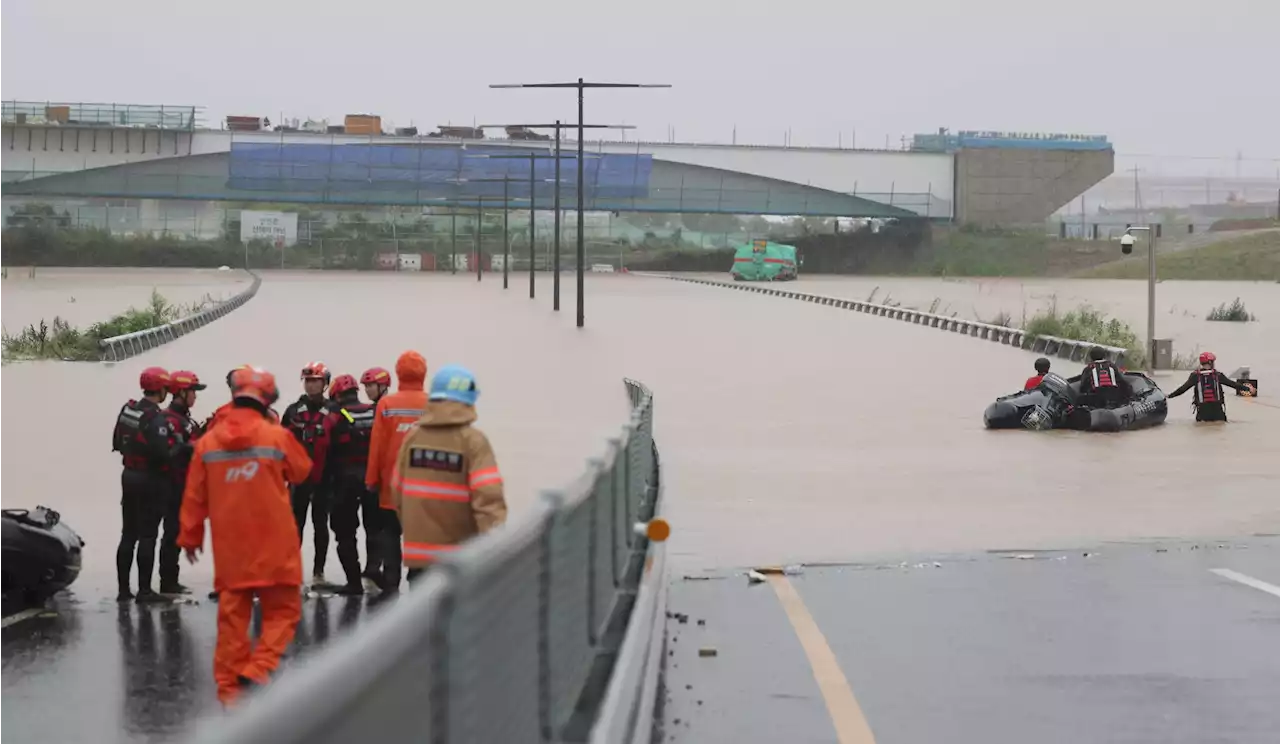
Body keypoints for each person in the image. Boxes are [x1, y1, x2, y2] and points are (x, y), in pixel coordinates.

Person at [177, 367, 312, 708]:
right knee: (283, 612)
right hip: (276, 545)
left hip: (231, 548)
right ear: (266, 401)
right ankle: (259, 669)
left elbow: (194, 496)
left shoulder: (207, 442)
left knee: (232, 622)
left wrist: (190, 538)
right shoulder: (276, 437)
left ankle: (229, 695)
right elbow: (302, 470)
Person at [392, 365, 507, 584]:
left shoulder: (413, 437)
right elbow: (488, 499)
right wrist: (494, 550)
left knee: (420, 617)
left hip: (418, 559)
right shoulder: (473, 441)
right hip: (460, 559)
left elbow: (397, 492)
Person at [113, 366, 188, 603]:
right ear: (162, 389)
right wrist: (180, 445)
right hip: (149, 479)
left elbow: (116, 441)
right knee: (148, 536)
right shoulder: (155, 417)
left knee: (127, 535)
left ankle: (123, 591)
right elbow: (162, 454)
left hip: (128, 475)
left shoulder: (128, 409)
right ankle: (144, 590)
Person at [365, 351, 428, 594]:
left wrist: (371, 480)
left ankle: (391, 582)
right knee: (418, 535)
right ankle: (419, 580)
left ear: (398, 373)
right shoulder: (432, 404)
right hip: (422, 488)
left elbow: (377, 447)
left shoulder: (387, 405)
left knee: (390, 534)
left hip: (391, 487)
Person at [314, 374, 376, 595]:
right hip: (371, 481)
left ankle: (354, 583)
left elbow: (323, 448)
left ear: (335, 393)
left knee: (344, 533)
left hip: (343, 482)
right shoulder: (373, 411)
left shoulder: (334, 416)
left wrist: (319, 480)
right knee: (375, 530)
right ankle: (378, 576)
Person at [282, 362, 333, 586]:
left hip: (324, 480)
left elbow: (345, 433)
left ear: (325, 383)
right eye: (308, 381)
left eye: (316, 381)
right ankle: (290, 572)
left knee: (321, 526)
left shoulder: (335, 410)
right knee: (295, 526)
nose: (311, 385)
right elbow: (280, 441)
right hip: (298, 481)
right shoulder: (292, 411)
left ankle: (318, 573)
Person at [158, 370, 207, 595]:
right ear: (181, 393)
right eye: (193, 392)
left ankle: (171, 579)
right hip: (171, 485)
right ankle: (167, 582)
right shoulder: (170, 420)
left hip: (183, 484)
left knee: (175, 532)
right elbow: (171, 452)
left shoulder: (186, 419)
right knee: (171, 533)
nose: (195, 397)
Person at [358, 366, 392, 589]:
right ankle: (373, 568)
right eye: (366, 386)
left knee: (384, 527)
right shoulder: (372, 410)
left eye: (370, 386)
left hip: (385, 480)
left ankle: (381, 571)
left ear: (382, 386)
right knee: (371, 525)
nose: (367, 390)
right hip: (371, 477)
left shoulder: (387, 410)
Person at [1168, 351, 1255, 422]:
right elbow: (1232, 384)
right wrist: (1248, 389)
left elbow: (1183, 389)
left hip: (1202, 410)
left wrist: (1169, 396)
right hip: (1217, 410)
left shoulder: (1195, 376)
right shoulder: (1218, 375)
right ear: (1210, 362)